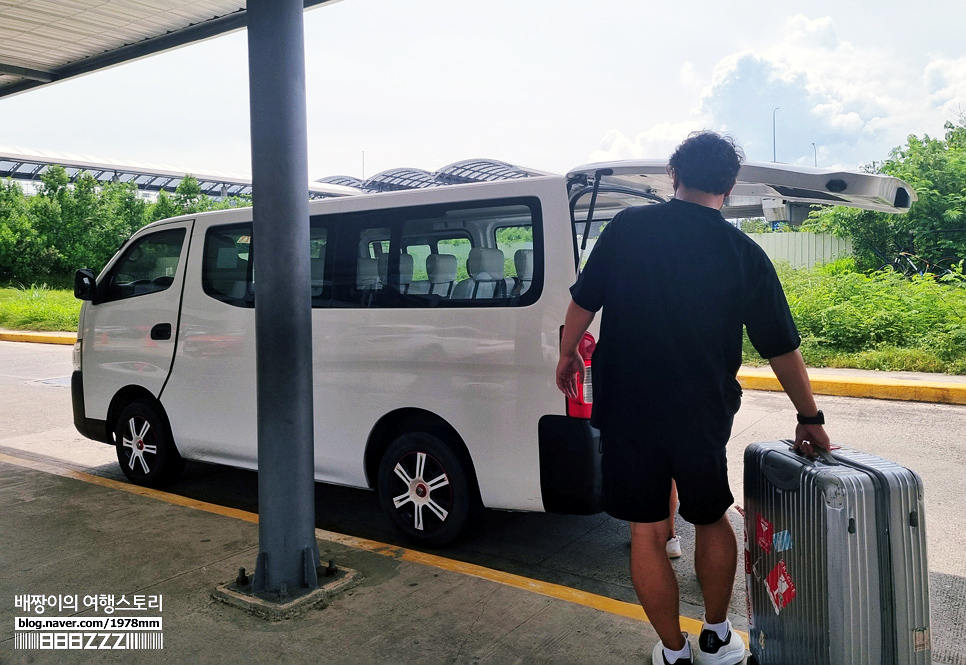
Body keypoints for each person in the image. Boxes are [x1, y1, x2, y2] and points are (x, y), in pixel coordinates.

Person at [555, 131, 829, 665]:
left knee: (648, 530)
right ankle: (717, 636)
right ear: (728, 187)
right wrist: (810, 416)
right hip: (700, 410)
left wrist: (568, 357)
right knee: (710, 516)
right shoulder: (743, 252)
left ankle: (673, 650)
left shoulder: (628, 229)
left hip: (628, 405)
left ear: (673, 178)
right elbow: (782, 348)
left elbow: (582, 304)